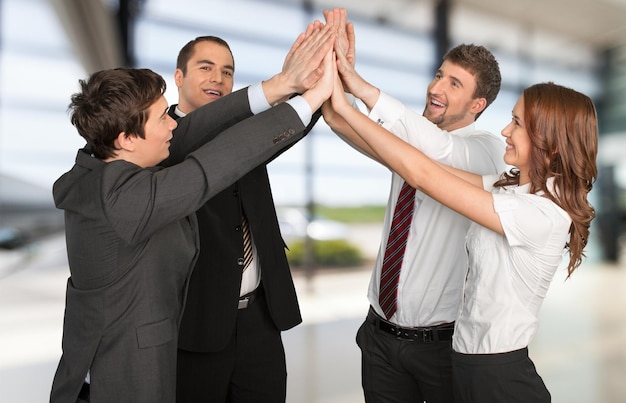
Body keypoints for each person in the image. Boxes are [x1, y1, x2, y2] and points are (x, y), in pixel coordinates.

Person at [49, 23, 336, 403]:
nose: (173, 124)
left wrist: (282, 84)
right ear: (127, 138)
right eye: (162, 118)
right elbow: (211, 165)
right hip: (122, 374)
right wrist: (311, 98)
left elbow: (195, 128)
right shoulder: (128, 198)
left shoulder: (100, 166)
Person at [327, 57, 598, 403]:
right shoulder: (509, 190)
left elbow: (424, 174)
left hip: (499, 375)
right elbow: (419, 165)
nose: (505, 131)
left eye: (517, 123)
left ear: (554, 143)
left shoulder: (538, 212)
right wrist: (341, 105)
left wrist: (351, 98)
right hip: (469, 364)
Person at [322, 8, 505, 402]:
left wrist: (357, 84)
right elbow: (342, 123)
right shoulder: (411, 145)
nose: (436, 87)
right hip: (378, 336)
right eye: (439, 75)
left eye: (454, 83)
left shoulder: (485, 151)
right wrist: (336, 72)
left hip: (439, 347)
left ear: (477, 105)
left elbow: (439, 150)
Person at [163, 30, 329, 402]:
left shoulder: (246, 132)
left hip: (260, 319)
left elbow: (287, 127)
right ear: (178, 76)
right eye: (206, 68)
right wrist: (282, 85)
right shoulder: (161, 139)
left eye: (227, 71)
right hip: (196, 322)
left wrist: (320, 74)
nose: (218, 79)